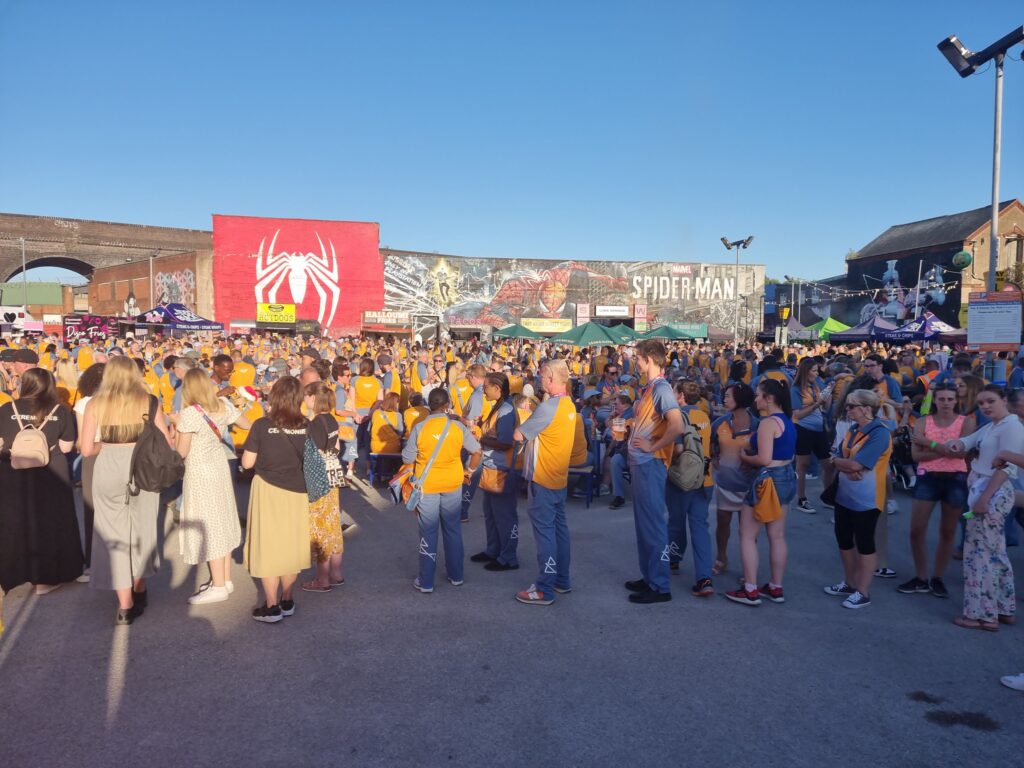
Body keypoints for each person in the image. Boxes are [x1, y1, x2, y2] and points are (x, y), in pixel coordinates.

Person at [80, 356, 168, 625]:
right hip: (143, 466)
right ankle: (140, 586)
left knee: (112, 533)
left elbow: (85, 450)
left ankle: (125, 605)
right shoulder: (148, 401)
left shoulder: (95, 403)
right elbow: (164, 441)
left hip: (108, 465)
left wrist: (103, 448)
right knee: (143, 528)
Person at [947, 385, 1024, 631]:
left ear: (1004, 400)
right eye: (981, 403)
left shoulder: (1011, 426)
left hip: (990, 493)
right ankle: (1002, 608)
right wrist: (957, 443)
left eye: (990, 401)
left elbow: (1007, 468)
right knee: (994, 552)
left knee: (979, 556)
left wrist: (984, 498)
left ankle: (982, 615)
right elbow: (970, 440)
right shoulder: (994, 425)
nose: (986, 407)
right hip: (985, 491)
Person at [0, 368, 83, 597]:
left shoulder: (7, 409)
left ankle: (6, 578)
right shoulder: (60, 410)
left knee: (11, 522)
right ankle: (44, 581)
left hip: (12, 470)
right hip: (51, 472)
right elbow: (67, 447)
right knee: (51, 522)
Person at [175, 368, 249, 605]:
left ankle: (219, 585)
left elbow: (181, 452)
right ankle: (224, 579)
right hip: (219, 467)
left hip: (200, 472)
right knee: (223, 520)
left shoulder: (189, 414)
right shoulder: (222, 406)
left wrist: (176, 426)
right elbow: (247, 424)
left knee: (210, 524)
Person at [241, 377, 311, 623]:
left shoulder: (262, 425)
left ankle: (271, 605)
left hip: (268, 489)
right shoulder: (308, 425)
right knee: (291, 545)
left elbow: (247, 463)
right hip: (299, 490)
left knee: (268, 545)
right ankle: (287, 598)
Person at [725, 379, 796, 606]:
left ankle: (750, 588)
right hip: (785, 476)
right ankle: (776, 586)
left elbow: (763, 458)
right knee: (777, 536)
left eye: (758, 395)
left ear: (769, 398)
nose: (755, 399)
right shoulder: (787, 420)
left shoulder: (767, 423)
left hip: (767, 479)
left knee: (747, 534)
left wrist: (745, 457)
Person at [402, 388, 481, 593]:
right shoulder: (456, 427)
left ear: (429, 405)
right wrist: (469, 471)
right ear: (447, 405)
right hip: (453, 483)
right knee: (452, 530)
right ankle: (456, 575)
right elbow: (476, 451)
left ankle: (426, 581)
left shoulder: (420, 427)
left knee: (428, 531)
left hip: (427, 485)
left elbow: (407, 459)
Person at [624, 340, 684, 605]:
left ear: (649, 359)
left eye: (638, 358)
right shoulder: (651, 388)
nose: (635, 362)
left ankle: (659, 585)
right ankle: (650, 576)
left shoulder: (661, 388)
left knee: (653, 524)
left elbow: (677, 425)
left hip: (651, 463)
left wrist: (653, 445)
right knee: (644, 523)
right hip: (642, 462)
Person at [513, 359, 578, 605]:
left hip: (542, 477)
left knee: (545, 535)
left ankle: (544, 589)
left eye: (541, 376)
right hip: (559, 477)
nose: (539, 380)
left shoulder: (548, 407)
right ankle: (562, 580)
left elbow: (518, 434)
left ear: (551, 378)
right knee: (559, 532)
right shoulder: (569, 405)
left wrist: (523, 418)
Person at [899, 382, 972, 598]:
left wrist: (929, 444)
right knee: (916, 530)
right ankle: (921, 577)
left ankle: (937, 577)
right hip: (928, 477)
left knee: (948, 532)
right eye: (942, 399)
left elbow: (961, 455)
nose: (946, 403)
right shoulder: (923, 421)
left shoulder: (965, 423)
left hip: (956, 478)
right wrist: (947, 451)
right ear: (935, 400)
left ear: (956, 400)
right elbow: (915, 457)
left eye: (950, 399)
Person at [822, 390, 892, 610]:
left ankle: (863, 591)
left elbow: (853, 464)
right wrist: (841, 463)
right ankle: (850, 583)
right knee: (843, 539)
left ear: (866, 408)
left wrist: (842, 463)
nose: (848, 409)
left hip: (868, 498)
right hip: (845, 494)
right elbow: (837, 458)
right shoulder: (853, 429)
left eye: (852, 406)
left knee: (864, 542)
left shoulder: (880, 433)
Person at [667, 380, 714, 597]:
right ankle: (704, 578)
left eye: (674, 390)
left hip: (684, 478)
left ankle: (674, 560)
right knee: (699, 527)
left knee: (676, 523)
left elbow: (677, 448)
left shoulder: (678, 416)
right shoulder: (703, 416)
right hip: (705, 478)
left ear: (681, 396)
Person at [470, 373, 520, 571]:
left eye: (486, 386)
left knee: (504, 515)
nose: (483, 389)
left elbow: (506, 442)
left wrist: (482, 439)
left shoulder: (505, 409)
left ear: (498, 389)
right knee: (490, 513)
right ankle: (493, 550)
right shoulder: (499, 406)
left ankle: (508, 557)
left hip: (502, 469)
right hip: (492, 467)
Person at [301, 381, 346, 593]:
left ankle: (322, 578)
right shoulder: (331, 419)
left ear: (313, 398)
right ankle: (336, 573)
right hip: (333, 475)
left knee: (319, 528)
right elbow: (336, 448)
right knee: (333, 524)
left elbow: (314, 454)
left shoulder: (315, 423)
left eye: (306, 396)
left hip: (319, 479)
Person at [709, 383, 758, 575]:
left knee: (748, 531)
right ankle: (721, 557)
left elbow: (764, 453)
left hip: (749, 486)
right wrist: (714, 458)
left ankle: (749, 569)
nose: (725, 399)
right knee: (722, 524)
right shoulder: (719, 423)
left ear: (741, 400)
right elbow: (712, 443)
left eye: (729, 396)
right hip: (725, 484)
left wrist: (752, 462)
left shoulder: (758, 426)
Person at [72, 362, 106, 582]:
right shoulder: (121, 401)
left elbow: (80, 443)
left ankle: (93, 563)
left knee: (92, 509)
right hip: (120, 454)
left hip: (93, 456)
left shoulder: (84, 404)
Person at [791, 358, 832, 513]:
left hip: (819, 428)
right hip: (802, 429)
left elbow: (825, 407)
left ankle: (828, 497)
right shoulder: (795, 389)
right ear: (805, 371)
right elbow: (797, 415)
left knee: (828, 465)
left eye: (817, 370)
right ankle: (801, 499)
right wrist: (817, 404)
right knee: (803, 466)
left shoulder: (817, 384)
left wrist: (827, 397)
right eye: (814, 370)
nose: (816, 373)